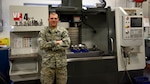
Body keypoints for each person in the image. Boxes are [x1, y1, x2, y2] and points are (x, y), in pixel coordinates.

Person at [38, 12, 71, 84]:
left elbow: (67, 44)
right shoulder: (43, 31)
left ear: (58, 20)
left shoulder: (63, 31)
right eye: (52, 18)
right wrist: (55, 42)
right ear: (48, 20)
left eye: (55, 18)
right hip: (48, 65)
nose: (53, 20)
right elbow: (41, 45)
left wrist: (50, 46)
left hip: (61, 65)